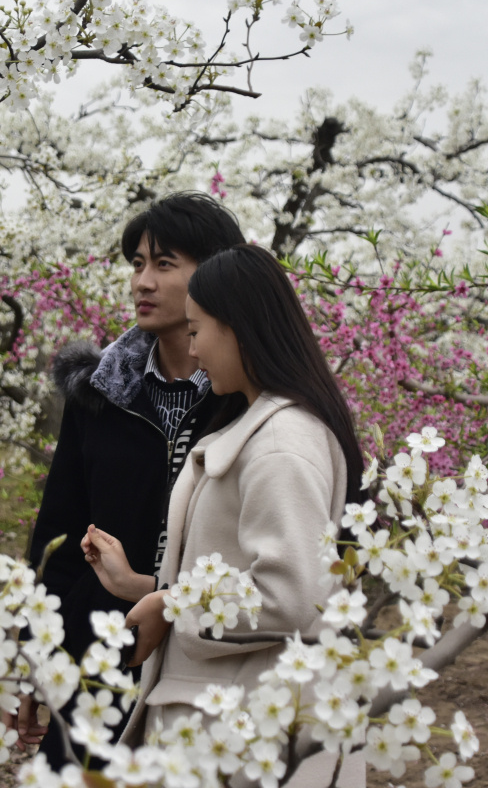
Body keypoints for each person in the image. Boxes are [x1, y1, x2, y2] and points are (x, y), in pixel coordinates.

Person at [81, 243, 367, 787]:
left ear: (237, 328)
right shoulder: (262, 428)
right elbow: (250, 573)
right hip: (224, 722)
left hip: (242, 732)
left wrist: (171, 604)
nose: (191, 348)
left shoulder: (281, 444)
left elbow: (286, 598)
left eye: (196, 330)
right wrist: (144, 586)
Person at [13, 192, 247, 767]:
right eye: (137, 264)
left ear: (214, 276)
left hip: (207, 655)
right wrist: (33, 659)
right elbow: (57, 539)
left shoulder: (245, 403)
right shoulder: (99, 393)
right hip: (97, 655)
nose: (143, 281)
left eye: (165, 264)